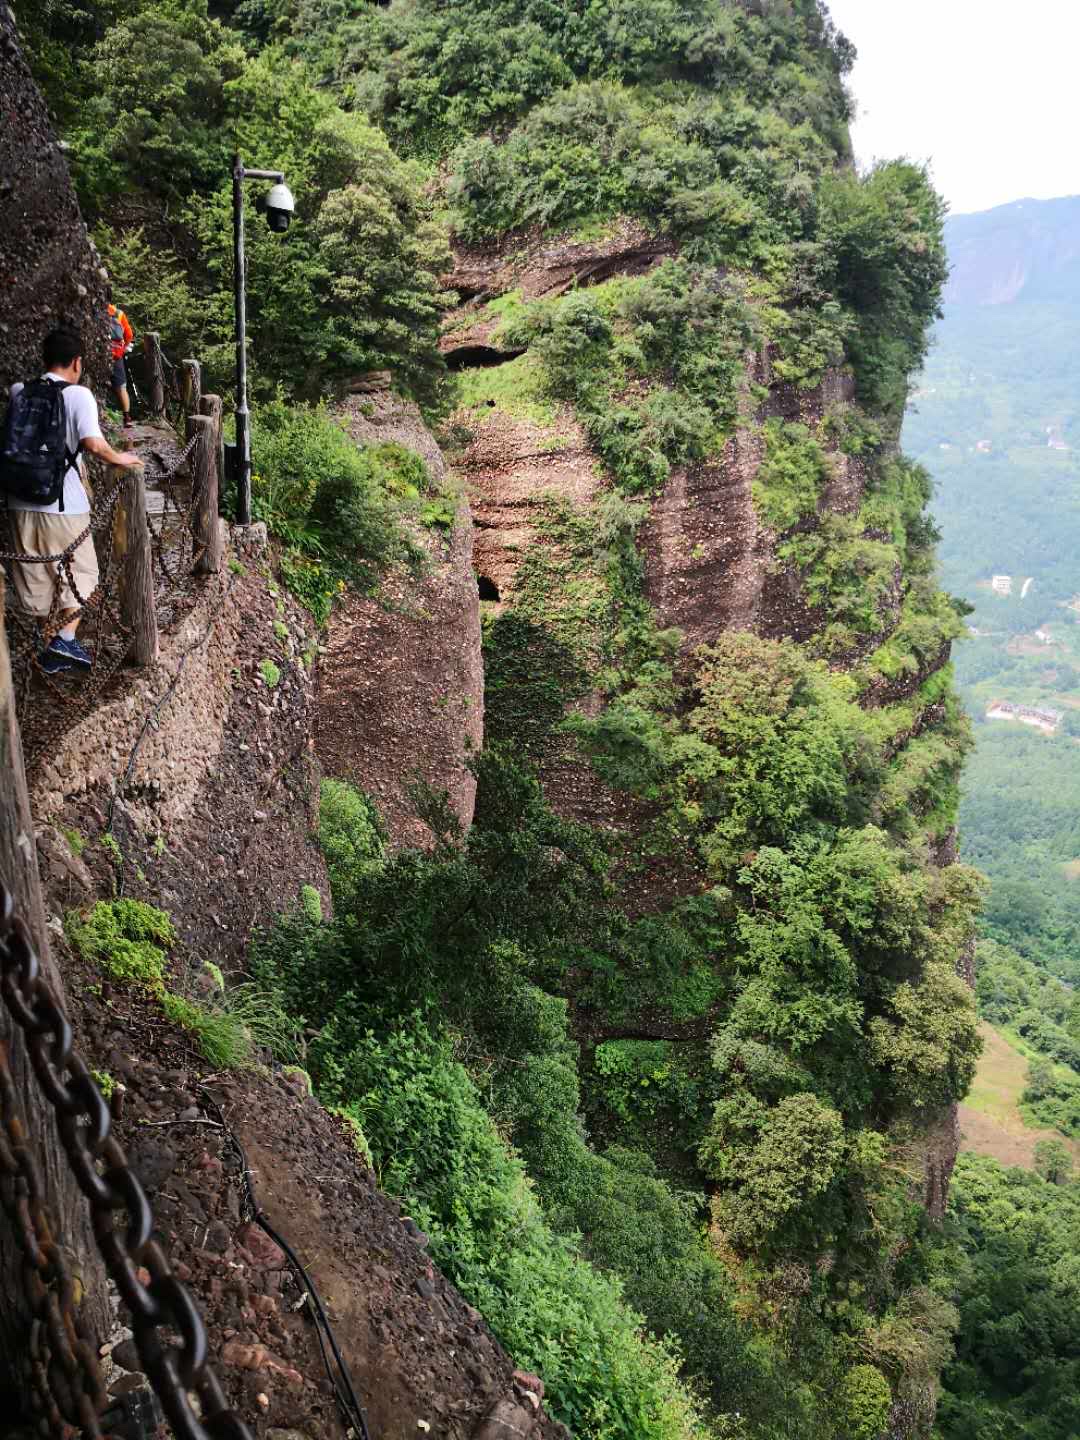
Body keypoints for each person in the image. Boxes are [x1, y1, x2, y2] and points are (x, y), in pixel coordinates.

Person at [4, 328, 143, 675]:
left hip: (19, 501)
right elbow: (93, 443)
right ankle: (64, 640)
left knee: (36, 577)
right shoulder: (78, 395)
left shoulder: (19, 391)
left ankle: (46, 645)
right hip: (63, 506)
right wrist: (120, 458)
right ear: (76, 362)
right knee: (82, 575)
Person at [107, 298, 135, 430]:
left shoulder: (96, 311)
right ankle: (127, 417)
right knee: (121, 387)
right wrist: (123, 349)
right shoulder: (119, 313)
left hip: (100, 353)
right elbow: (129, 335)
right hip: (116, 355)